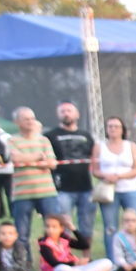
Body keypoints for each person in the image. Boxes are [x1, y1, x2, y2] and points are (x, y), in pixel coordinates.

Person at [8, 108, 62, 242]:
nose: (30, 121)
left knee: (53, 230)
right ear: (17, 122)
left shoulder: (44, 140)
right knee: (22, 233)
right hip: (22, 194)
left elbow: (52, 163)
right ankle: (23, 256)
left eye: (32, 118)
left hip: (47, 192)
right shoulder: (12, 140)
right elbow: (15, 159)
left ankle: (52, 254)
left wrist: (26, 160)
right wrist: (39, 156)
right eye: (26, 119)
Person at [92, 115, 136, 252]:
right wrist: (106, 176)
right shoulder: (99, 147)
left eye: (116, 126)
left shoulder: (131, 146)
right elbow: (95, 170)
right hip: (109, 192)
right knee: (110, 226)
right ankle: (113, 258)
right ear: (106, 129)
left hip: (130, 190)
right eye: (110, 126)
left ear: (122, 129)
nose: (113, 129)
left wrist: (119, 176)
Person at [48, 102, 97, 238]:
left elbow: (94, 156)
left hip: (86, 188)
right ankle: (64, 250)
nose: (66, 114)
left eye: (69, 110)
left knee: (87, 225)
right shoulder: (50, 136)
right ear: (58, 114)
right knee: (63, 226)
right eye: (62, 111)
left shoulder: (86, 135)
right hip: (62, 189)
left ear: (77, 114)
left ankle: (86, 251)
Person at [38, 214, 112, 271]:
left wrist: (73, 228)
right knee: (62, 269)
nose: (50, 230)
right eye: (47, 227)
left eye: (54, 227)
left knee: (107, 262)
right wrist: (75, 263)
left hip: (74, 269)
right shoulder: (44, 244)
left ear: (61, 229)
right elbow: (54, 263)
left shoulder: (64, 240)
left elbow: (85, 245)